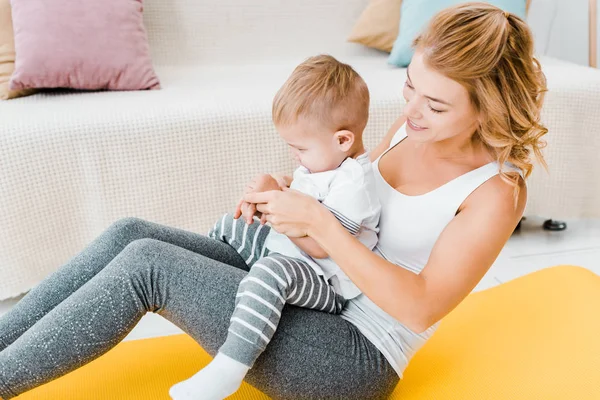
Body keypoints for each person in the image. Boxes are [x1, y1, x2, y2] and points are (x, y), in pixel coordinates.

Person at [0, 3, 547, 400]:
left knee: (149, 267)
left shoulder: (497, 190)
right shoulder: (413, 128)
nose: (411, 110)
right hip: (311, 284)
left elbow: (422, 304)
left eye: (436, 104)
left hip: (352, 353)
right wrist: (286, 194)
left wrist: (322, 227)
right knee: (129, 233)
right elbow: (349, 188)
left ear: (489, 109)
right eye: (410, 88)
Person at [169, 55, 382, 400]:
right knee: (230, 225)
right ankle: (228, 296)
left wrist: (275, 210)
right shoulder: (324, 161)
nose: (296, 156)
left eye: (300, 148)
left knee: (272, 271)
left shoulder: (354, 185)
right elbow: (300, 196)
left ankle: (230, 367)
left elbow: (323, 247)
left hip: (326, 281)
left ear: (343, 140)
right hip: (294, 253)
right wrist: (272, 189)